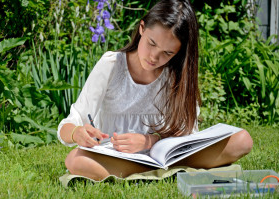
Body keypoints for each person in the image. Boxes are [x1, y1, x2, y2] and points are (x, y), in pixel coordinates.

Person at [57, 0, 253, 181]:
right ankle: (164, 172)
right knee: (75, 159)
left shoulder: (176, 74)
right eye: (152, 43)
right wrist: (76, 133)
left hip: (166, 156)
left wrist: (149, 141)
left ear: (178, 53)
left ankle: (150, 173)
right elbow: (70, 123)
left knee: (242, 140)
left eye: (167, 53)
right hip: (118, 157)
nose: (154, 57)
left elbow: (189, 134)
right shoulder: (111, 65)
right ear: (142, 28)